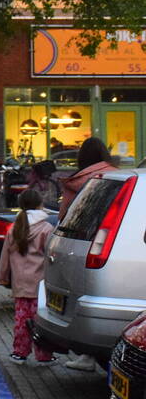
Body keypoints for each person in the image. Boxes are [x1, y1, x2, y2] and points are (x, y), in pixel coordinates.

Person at [56, 136, 116, 371]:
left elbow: (65, 218)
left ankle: (86, 354)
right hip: (108, 245)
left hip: (79, 246)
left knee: (77, 298)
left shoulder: (80, 181)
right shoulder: (114, 176)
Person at [0, 188, 57, 365]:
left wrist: (3, 277)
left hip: (20, 283)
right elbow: (51, 256)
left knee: (22, 319)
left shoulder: (15, 228)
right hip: (40, 284)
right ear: (41, 205)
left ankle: (19, 353)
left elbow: (5, 255)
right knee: (41, 321)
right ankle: (44, 355)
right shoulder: (46, 228)